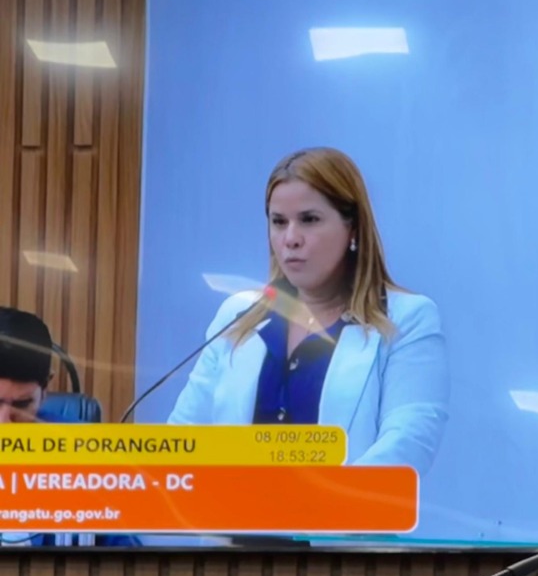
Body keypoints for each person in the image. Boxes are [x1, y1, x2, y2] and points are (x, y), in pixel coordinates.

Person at [166, 146, 449, 474]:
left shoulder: (406, 319)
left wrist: (317, 502)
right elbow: (181, 444)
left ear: (353, 228)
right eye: (278, 222)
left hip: (346, 509)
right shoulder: (237, 315)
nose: (291, 239)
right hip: (229, 510)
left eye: (309, 220)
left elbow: (407, 445)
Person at [0, 307, 139, 546]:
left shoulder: (85, 452)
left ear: (45, 389)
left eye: (21, 405)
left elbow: (128, 555)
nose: (4, 422)